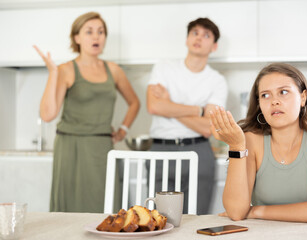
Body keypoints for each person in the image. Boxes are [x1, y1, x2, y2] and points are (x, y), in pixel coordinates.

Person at [33, 12, 140, 213]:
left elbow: (134, 102)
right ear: (77, 38)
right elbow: (48, 114)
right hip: (70, 147)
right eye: (89, 31)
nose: (96, 36)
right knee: (71, 209)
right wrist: (53, 73)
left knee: (107, 207)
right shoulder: (65, 69)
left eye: (101, 32)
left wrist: (123, 130)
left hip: (102, 147)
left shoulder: (114, 70)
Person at [210, 63, 307, 223]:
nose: (274, 101)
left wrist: (256, 211)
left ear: (303, 97)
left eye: (283, 92)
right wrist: (236, 146)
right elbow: (236, 212)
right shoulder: (251, 139)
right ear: (259, 104)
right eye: (265, 95)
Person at [146, 17, 228, 215]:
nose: (199, 37)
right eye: (195, 33)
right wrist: (198, 110)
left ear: (214, 46)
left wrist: (169, 105)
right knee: (158, 221)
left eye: (206, 35)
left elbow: (208, 128)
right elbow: (154, 106)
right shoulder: (164, 67)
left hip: (199, 150)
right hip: (160, 149)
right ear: (187, 39)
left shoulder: (217, 81)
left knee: (197, 219)